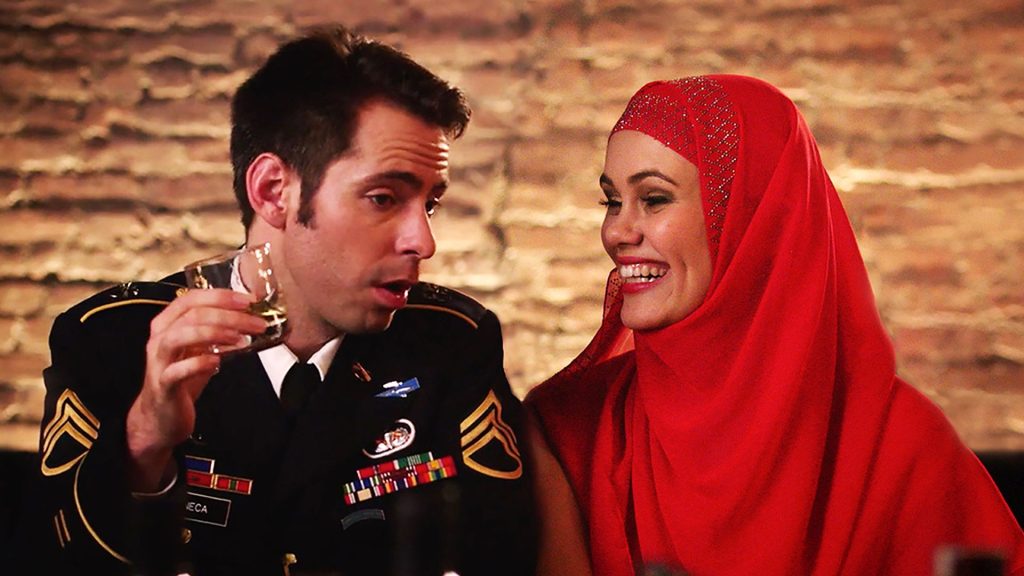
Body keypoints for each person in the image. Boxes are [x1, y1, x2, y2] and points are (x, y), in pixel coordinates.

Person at [24, 25, 538, 576]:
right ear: (273, 191)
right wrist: (145, 440)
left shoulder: (451, 345)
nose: (423, 242)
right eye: (383, 198)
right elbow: (49, 560)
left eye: (430, 204)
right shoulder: (112, 339)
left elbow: (505, 552)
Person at [525, 75, 1024, 576]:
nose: (616, 231)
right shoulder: (569, 432)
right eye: (611, 201)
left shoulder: (899, 445)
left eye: (654, 199)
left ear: (753, 217)